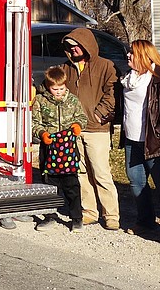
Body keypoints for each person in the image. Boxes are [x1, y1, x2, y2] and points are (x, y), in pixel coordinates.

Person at [61, 27, 120, 230]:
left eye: (77, 45)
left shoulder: (106, 66)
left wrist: (99, 114)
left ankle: (111, 215)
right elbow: (52, 88)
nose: (74, 49)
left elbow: (112, 94)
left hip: (97, 129)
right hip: (74, 129)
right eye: (70, 46)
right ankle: (89, 211)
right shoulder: (65, 68)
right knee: (80, 172)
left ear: (87, 45)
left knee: (101, 172)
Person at [120, 40, 160, 236]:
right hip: (132, 139)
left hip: (156, 140)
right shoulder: (129, 77)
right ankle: (145, 221)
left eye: (132, 53)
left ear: (144, 56)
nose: (128, 56)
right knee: (136, 181)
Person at [32, 66, 88, 231]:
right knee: (49, 184)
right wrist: (41, 133)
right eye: (55, 89)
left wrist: (78, 125)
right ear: (48, 86)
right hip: (49, 147)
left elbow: (82, 117)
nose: (58, 92)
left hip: (68, 148)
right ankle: (50, 216)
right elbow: (35, 121)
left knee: (71, 184)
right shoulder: (40, 101)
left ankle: (77, 218)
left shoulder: (72, 100)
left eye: (61, 88)